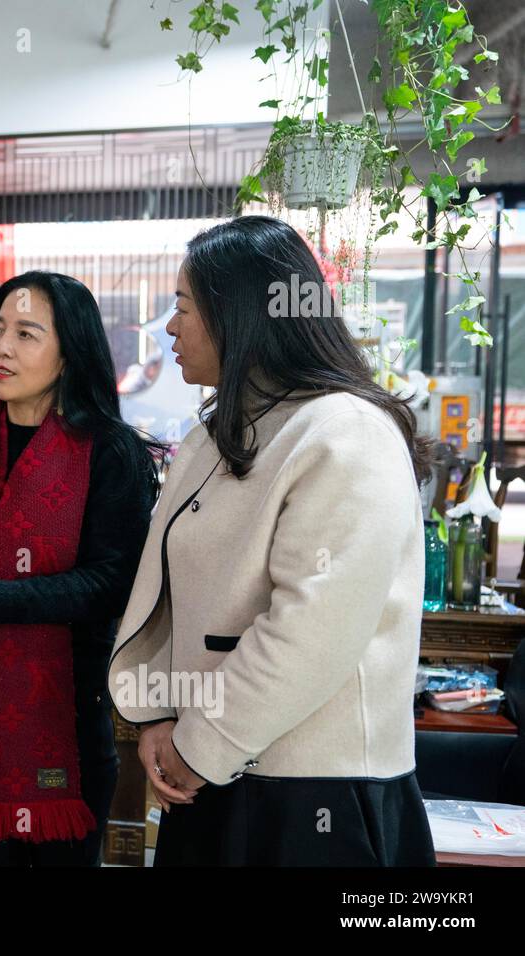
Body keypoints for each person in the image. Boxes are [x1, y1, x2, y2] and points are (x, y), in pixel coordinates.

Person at [109, 214, 437, 866]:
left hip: (312, 796)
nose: (170, 328)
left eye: (183, 307)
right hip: (210, 769)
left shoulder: (344, 431)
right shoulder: (215, 435)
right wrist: (156, 718)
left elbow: (314, 629)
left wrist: (200, 744)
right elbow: (174, 597)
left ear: (243, 315)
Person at [0, 270, 162, 866]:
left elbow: (113, 583)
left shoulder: (109, 451)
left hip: (63, 722)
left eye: (26, 333)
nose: (1, 348)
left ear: (69, 353)